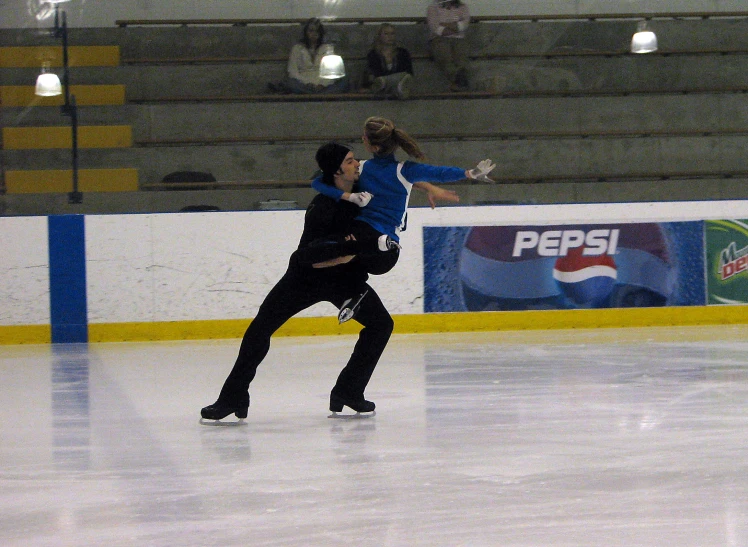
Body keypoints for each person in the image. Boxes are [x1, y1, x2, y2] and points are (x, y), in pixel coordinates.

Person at [200, 143, 394, 421]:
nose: (357, 164)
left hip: (345, 279)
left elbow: (397, 179)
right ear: (337, 169)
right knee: (259, 329)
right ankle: (232, 398)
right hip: (306, 278)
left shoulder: (361, 188)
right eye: (350, 161)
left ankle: (348, 391)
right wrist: (353, 251)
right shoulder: (323, 208)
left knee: (381, 325)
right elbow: (311, 257)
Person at [310, 117, 494, 278]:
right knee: (341, 250)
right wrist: (469, 173)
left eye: (364, 137)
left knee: (332, 255)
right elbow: (438, 173)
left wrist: (347, 196)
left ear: (372, 146)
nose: (362, 139)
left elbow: (318, 183)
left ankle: (372, 247)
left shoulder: (363, 168)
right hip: (379, 234)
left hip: (369, 233)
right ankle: (376, 247)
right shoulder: (404, 171)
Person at [284, 18, 349, 94]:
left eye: (317, 31)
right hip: (304, 84)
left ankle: (312, 95)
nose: (314, 34)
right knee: (290, 83)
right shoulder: (297, 48)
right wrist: (307, 83)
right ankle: (320, 95)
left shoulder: (327, 48)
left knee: (344, 80)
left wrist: (322, 84)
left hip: (324, 84)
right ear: (306, 32)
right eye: (311, 31)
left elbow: (332, 71)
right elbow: (292, 71)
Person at [427, 0, 471, 91]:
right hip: (439, 39)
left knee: (461, 57)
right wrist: (454, 26)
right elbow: (437, 29)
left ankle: (458, 83)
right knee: (444, 56)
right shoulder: (432, 8)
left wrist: (445, 24)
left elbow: (463, 25)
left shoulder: (463, 7)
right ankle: (459, 80)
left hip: (459, 39)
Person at [362, 23, 414, 99]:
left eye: (392, 34)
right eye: (386, 34)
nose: (390, 37)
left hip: (399, 81)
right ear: (379, 36)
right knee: (379, 82)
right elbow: (374, 72)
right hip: (380, 83)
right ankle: (389, 87)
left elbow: (409, 73)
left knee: (403, 78)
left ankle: (388, 84)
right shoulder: (373, 54)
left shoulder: (403, 52)